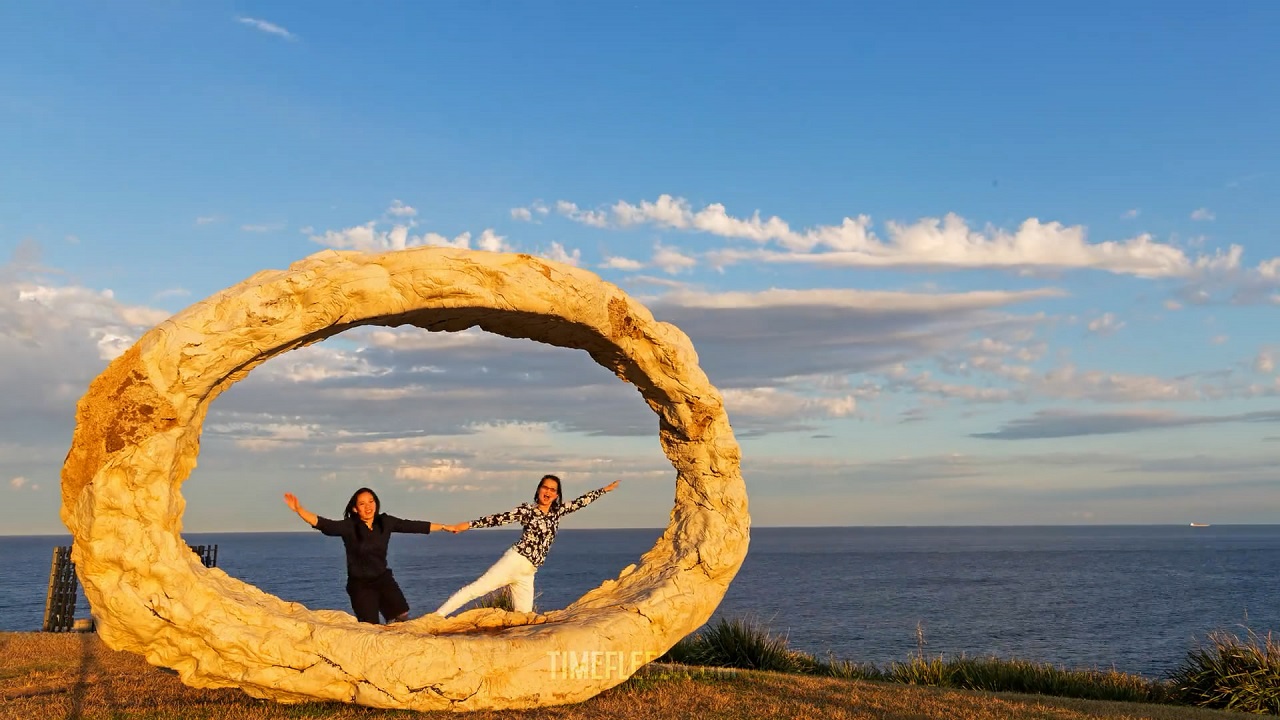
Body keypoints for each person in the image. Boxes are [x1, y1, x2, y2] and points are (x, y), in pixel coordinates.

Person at [434, 475, 620, 616]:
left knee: (524, 618)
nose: (548, 492)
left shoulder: (557, 512)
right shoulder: (527, 511)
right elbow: (499, 518)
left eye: (553, 490)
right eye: (545, 488)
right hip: (515, 561)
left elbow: (581, 502)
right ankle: (436, 616)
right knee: (476, 589)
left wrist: (604, 490)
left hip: (528, 572)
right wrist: (467, 525)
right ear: (539, 490)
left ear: (557, 495)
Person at [283, 488, 450, 624]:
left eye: (371, 501)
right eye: (362, 504)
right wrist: (299, 510)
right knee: (370, 626)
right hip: (360, 585)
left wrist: (444, 527)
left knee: (401, 613)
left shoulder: (385, 522)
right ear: (355, 508)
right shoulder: (350, 527)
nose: (368, 506)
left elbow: (413, 526)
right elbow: (324, 524)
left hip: (383, 579)